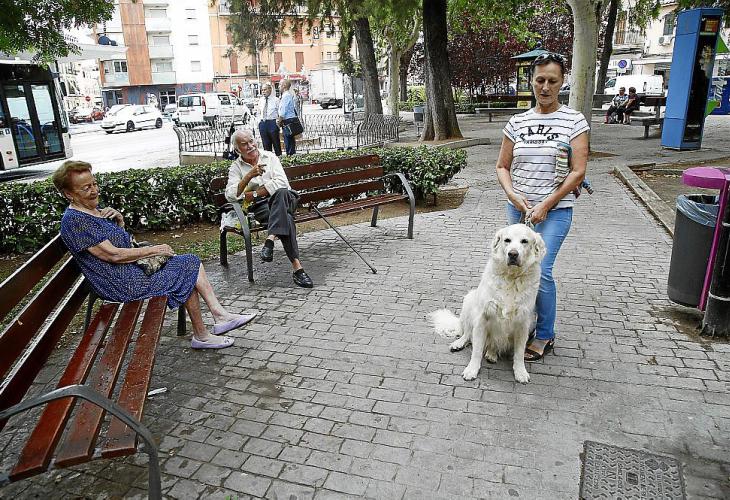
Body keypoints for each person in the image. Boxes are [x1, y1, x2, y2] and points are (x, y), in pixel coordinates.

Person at [54, 160, 256, 350]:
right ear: (68, 194)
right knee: (186, 269)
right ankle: (205, 332)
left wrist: (119, 222)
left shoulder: (92, 210)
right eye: (86, 188)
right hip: (121, 283)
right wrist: (154, 250)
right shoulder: (75, 221)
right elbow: (113, 255)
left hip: (129, 271)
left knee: (189, 263)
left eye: (94, 184)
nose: (94, 191)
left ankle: (216, 320)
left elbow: (119, 243)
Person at [495, 52, 589, 362]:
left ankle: (545, 334)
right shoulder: (517, 122)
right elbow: (502, 166)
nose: (545, 87)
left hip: (556, 211)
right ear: (532, 82)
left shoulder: (574, 121)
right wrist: (513, 196)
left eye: (552, 80)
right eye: (540, 80)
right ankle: (520, 323)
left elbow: (578, 171)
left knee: (542, 270)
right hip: (519, 211)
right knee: (515, 268)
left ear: (562, 82)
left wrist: (547, 204)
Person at [225, 129, 314, 288]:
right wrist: (248, 176)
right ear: (237, 149)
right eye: (244, 144)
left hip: (285, 199)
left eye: (251, 141)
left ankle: (270, 239)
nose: (250, 146)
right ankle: (298, 270)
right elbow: (231, 195)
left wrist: (255, 193)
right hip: (261, 207)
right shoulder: (236, 167)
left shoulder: (270, 157)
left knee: (281, 193)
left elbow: (282, 183)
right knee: (286, 218)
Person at [257, 83, 282, 156]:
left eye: (265, 90)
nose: (263, 92)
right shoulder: (261, 100)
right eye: (262, 90)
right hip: (263, 123)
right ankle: (268, 160)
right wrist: (259, 122)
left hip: (273, 123)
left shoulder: (276, 100)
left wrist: (278, 123)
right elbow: (258, 112)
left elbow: (280, 112)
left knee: (276, 144)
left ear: (270, 90)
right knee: (266, 145)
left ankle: (279, 159)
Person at [277, 79, 298, 155]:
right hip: (289, 120)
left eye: (280, 84)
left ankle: (290, 156)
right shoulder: (287, 95)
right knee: (290, 141)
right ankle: (291, 155)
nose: (278, 86)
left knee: (288, 141)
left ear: (284, 85)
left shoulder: (286, 96)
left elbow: (282, 112)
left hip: (288, 121)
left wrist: (279, 121)